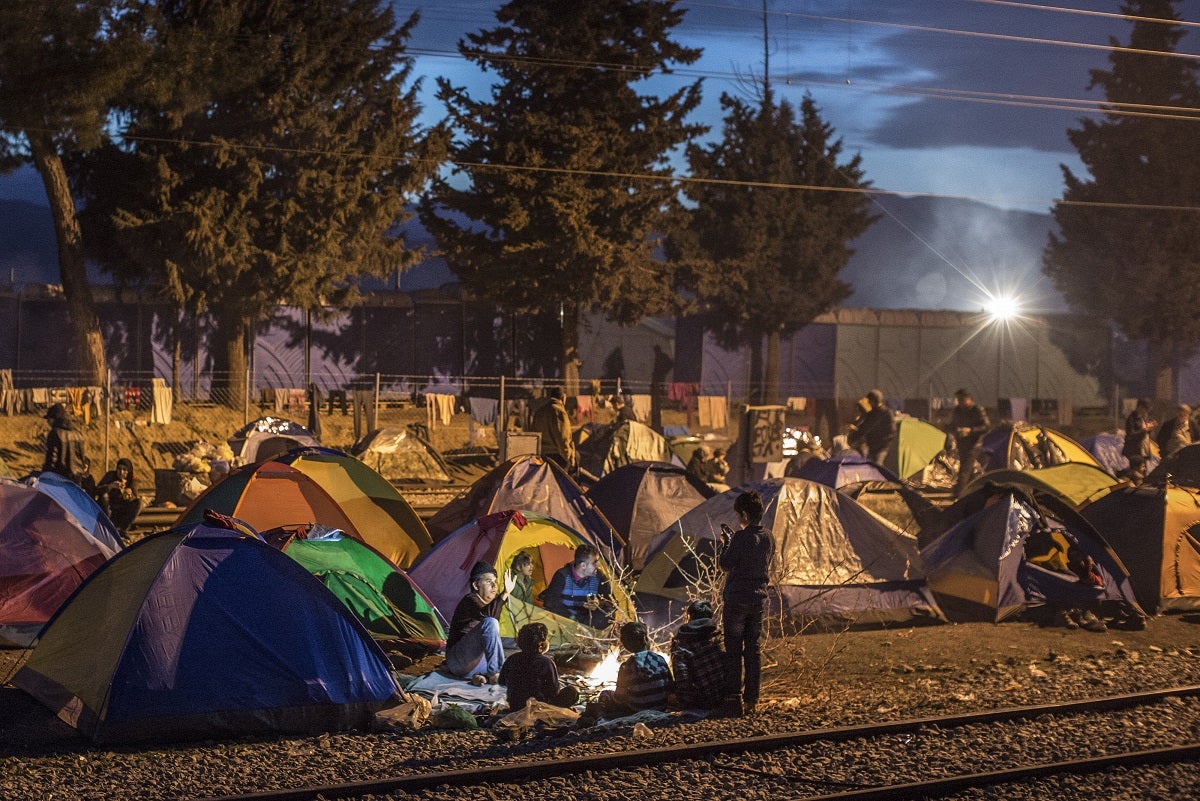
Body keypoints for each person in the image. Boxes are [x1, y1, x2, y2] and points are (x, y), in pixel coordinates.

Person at [718, 490, 775, 716]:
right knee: (753, 650)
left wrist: (726, 544)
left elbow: (725, 564)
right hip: (758, 599)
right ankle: (752, 700)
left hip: (737, 600)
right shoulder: (768, 536)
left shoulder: (741, 538)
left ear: (744, 514)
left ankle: (733, 699)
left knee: (733, 650)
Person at [445, 561, 513, 685]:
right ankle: (494, 674)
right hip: (458, 661)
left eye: (495, 582)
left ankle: (480, 676)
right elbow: (488, 616)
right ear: (476, 585)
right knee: (491, 622)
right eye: (488, 581)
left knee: (514, 665)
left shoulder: (490, 605)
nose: (494, 586)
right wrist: (505, 593)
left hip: (474, 663)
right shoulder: (470, 600)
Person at [587, 621, 672, 720]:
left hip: (636, 710)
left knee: (606, 693)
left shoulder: (626, 667)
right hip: (661, 707)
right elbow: (670, 685)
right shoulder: (660, 659)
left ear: (625, 644)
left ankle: (600, 713)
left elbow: (619, 698)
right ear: (644, 639)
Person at [498, 622, 579, 711]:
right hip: (539, 708)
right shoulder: (546, 663)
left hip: (515, 706)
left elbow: (502, 681)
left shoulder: (512, 659)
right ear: (541, 644)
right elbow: (554, 692)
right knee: (572, 692)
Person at [669, 599, 726, 711]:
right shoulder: (719, 636)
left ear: (689, 617)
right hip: (726, 697)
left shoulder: (681, 642)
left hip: (701, 702)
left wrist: (686, 704)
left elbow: (682, 679)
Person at [540, 543, 613, 629]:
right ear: (583, 565)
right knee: (550, 611)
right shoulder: (562, 575)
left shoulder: (599, 577)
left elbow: (612, 603)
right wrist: (575, 619)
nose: (598, 565)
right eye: (595, 562)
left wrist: (599, 604)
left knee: (608, 614)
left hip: (588, 623)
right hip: (566, 621)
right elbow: (550, 603)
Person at [948, 388, 990, 498]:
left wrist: (970, 430)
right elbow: (952, 424)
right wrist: (955, 430)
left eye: (961, 399)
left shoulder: (977, 410)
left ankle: (958, 493)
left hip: (974, 444)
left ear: (969, 399)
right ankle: (975, 490)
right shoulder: (957, 410)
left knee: (965, 468)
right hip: (962, 443)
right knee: (968, 469)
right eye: (958, 399)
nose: (960, 402)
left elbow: (986, 426)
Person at [42, 402, 90, 488]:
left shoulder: (55, 433)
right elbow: (82, 457)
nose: (48, 422)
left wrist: (45, 476)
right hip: (77, 478)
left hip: (60, 477)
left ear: (54, 418)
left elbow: (51, 460)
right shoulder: (78, 434)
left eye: (48, 419)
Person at [530, 387, 577, 473]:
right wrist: (569, 459)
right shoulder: (559, 412)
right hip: (557, 458)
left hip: (541, 458)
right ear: (563, 398)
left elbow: (533, 435)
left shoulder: (540, 411)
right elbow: (563, 439)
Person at [94, 457, 143, 538]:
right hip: (109, 509)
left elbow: (135, 495)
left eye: (124, 470)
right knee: (104, 496)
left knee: (139, 502)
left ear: (128, 471)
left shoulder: (132, 479)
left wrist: (129, 493)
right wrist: (110, 486)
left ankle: (123, 529)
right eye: (119, 469)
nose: (121, 472)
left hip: (122, 510)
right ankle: (108, 526)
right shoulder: (110, 475)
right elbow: (96, 490)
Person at [848, 390, 896, 465]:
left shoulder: (883, 413)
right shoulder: (877, 413)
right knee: (871, 466)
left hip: (881, 447)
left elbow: (865, 429)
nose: (869, 403)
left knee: (876, 465)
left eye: (869, 401)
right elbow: (864, 428)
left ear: (873, 401)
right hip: (874, 446)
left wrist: (851, 439)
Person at [1122, 398, 1158, 484]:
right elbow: (1131, 435)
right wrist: (1145, 430)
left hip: (1144, 450)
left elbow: (1145, 433)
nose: (1146, 411)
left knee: (1143, 472)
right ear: (1140, 407)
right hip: (1135, 451)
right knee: (1136, 473)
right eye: (1145, 409)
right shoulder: (1132, 418)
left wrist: (1150, 428)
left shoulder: (1143, 418)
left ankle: (1141, 486)